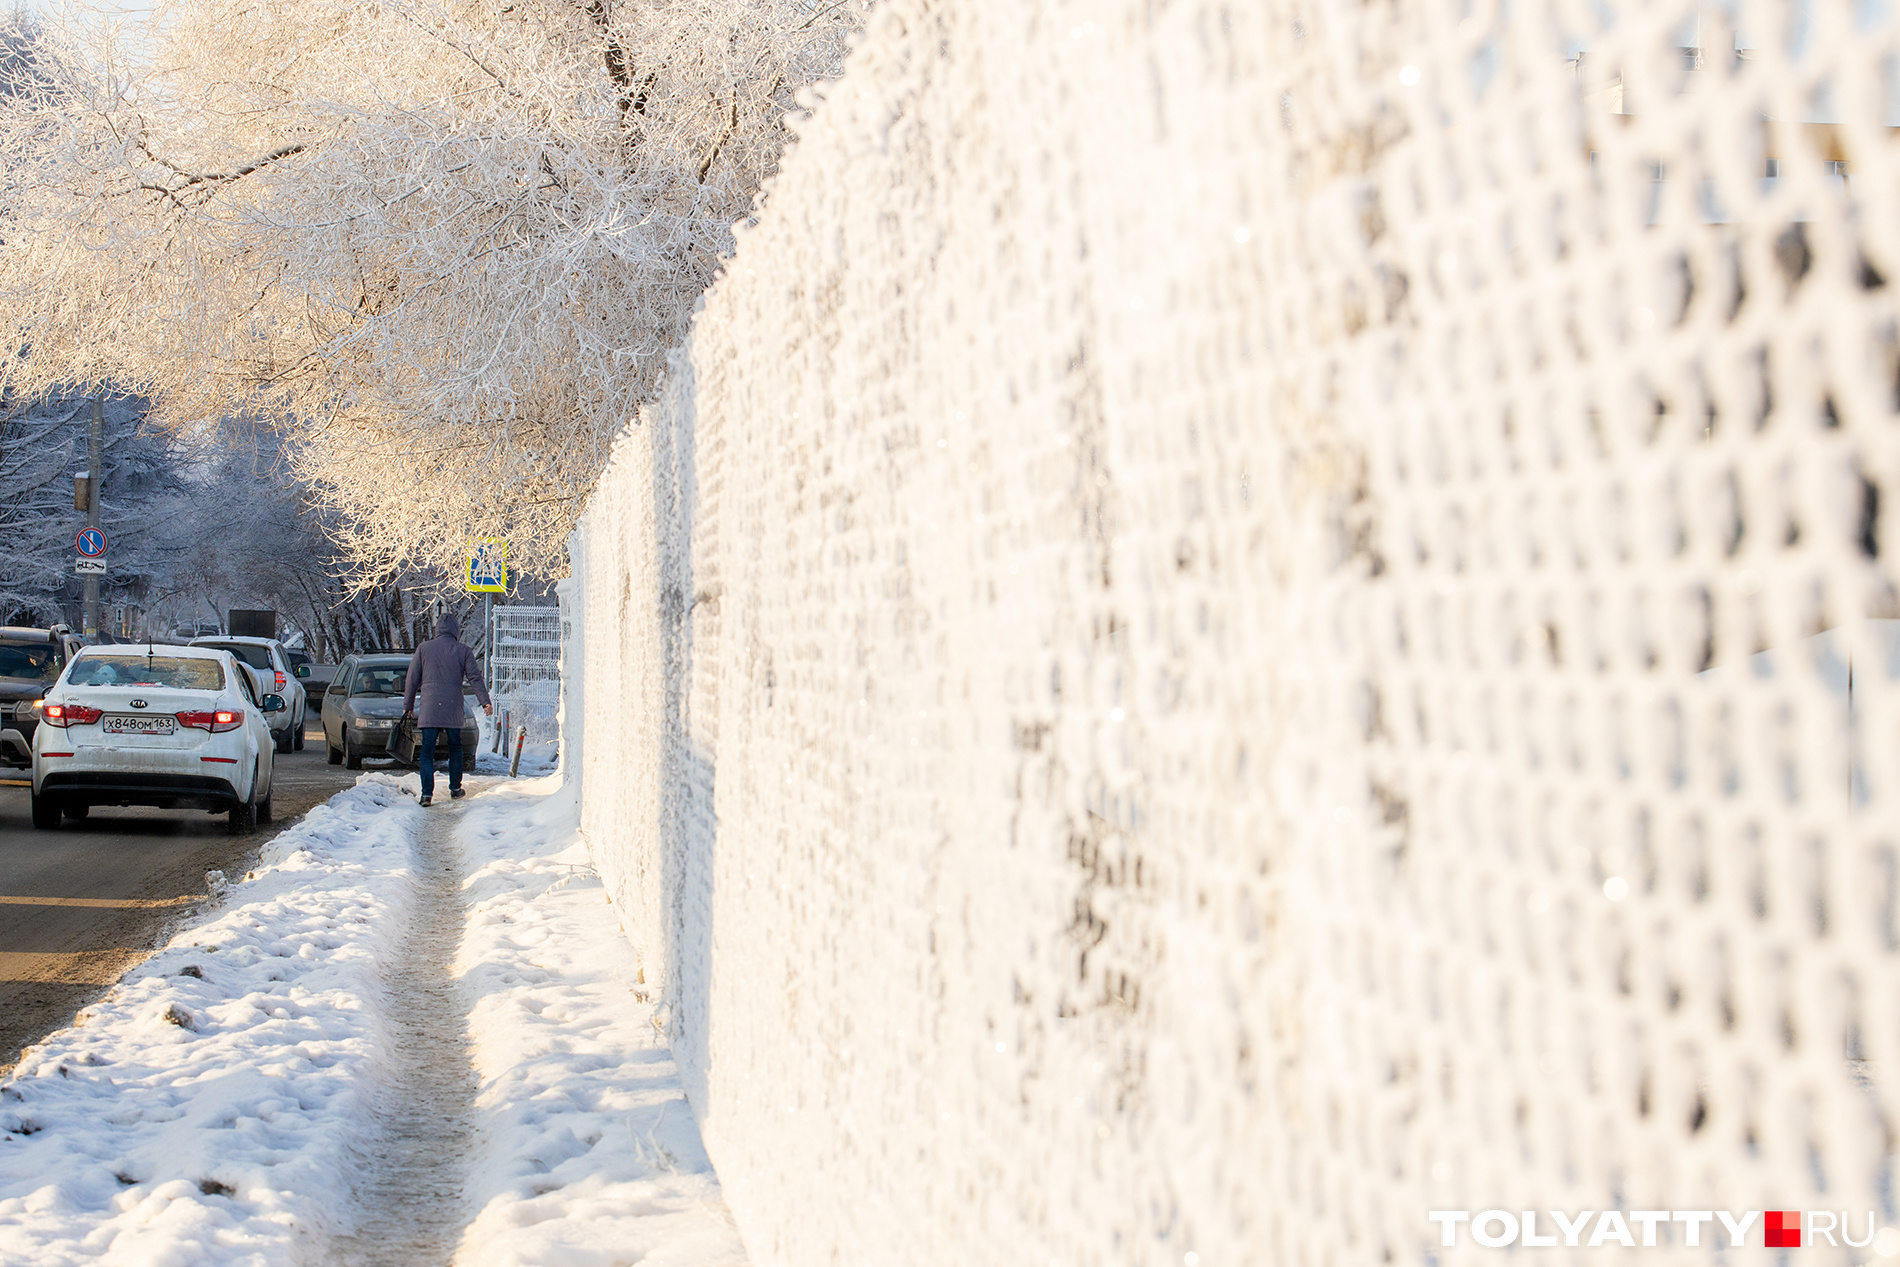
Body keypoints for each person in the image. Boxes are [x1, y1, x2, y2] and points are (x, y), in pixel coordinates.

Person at [402, 612, 492, 806]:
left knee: (426, 751)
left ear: (437, 630)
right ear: (455, 631)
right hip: (452, 707)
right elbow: (475, 678)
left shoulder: (424, 649)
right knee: (455, 747)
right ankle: (455, 788)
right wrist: (485, 701)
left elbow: (412, 678)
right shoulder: (463, 650)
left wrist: (408, 705)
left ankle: (426, 794)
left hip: (430, 707)